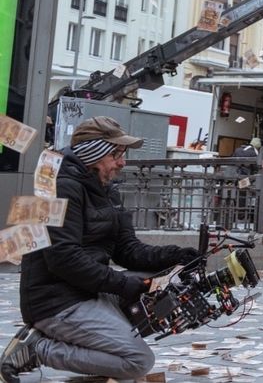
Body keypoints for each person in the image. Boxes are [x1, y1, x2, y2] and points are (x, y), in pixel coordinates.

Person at [2, 117, 201, 383]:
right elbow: (63, 259)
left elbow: (128, 250)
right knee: (138, 362)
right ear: (93, 154)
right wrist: (125, 284)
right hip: (55, 301)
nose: (122, 162)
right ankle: (39, 350)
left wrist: (177, 255)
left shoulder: (107, 189)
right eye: (116, 154)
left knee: (160, 288)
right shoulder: (57, 188)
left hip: (84, 290)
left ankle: (93, 344)